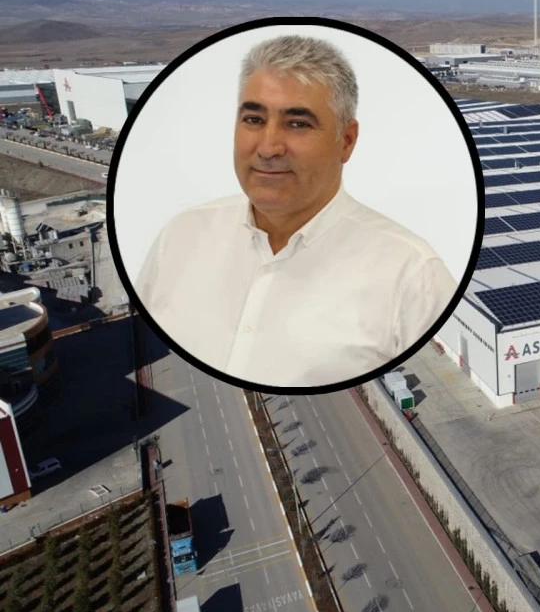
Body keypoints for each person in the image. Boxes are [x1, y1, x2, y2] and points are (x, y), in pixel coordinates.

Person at [134, 34, 458, 387]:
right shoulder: (180, 236)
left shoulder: (412, 276)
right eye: (254, 119)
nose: (268, 148)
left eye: (298, 124)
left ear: (346, 141)